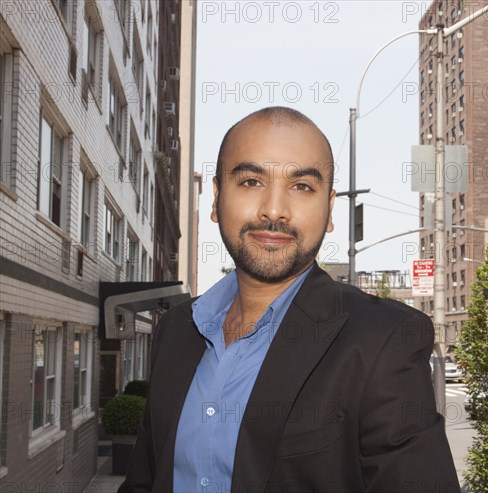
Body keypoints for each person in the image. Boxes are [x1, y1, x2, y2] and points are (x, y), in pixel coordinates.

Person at [119, 107, 460, 493]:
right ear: (216, 199)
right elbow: (144, 478)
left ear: (330, 209)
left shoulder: (382, 340)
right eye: (250, 181)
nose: (275, 211)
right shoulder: (176, 329)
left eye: (301, 187)